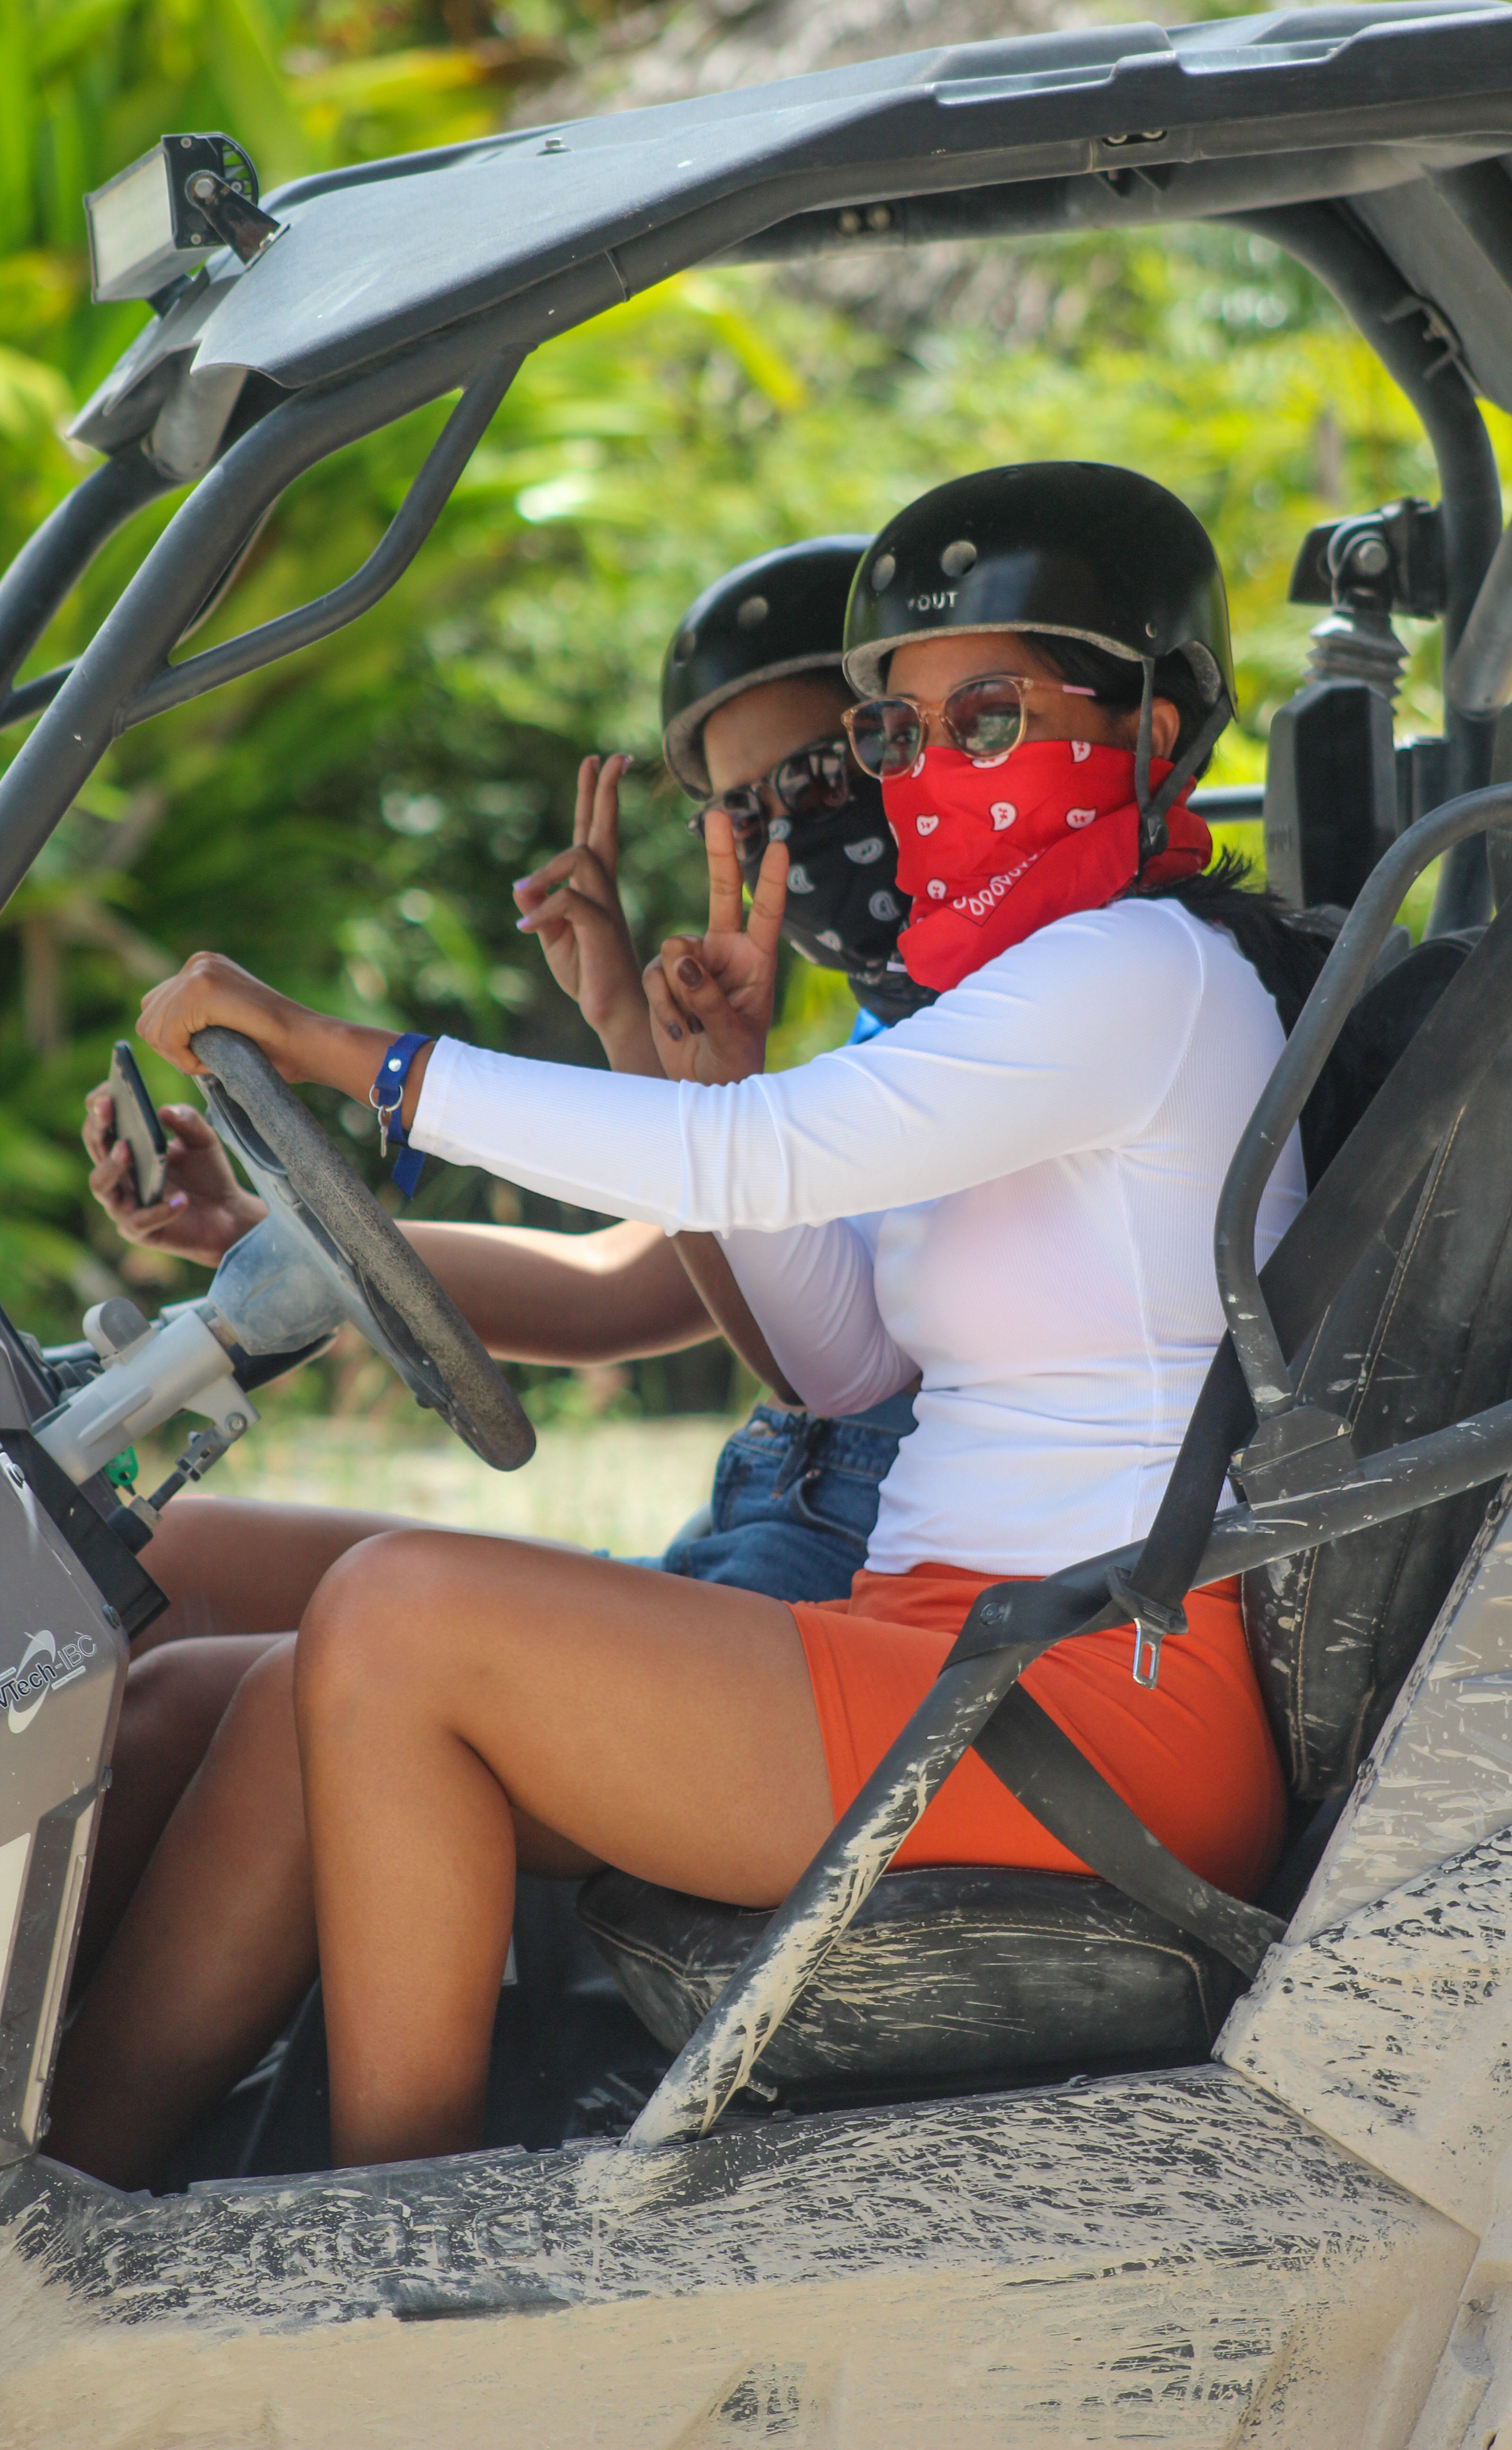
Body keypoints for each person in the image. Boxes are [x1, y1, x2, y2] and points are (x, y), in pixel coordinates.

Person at [50, 463, 1311, 2189]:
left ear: (1156, 722)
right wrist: (717, 1081)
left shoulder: (1143, 976)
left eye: (995, 713)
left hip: (1087, 1705)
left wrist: (345, 1051)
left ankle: (397, 2254)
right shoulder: (1009, 1001)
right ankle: (71, 2221)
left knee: (404, 1613)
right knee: (279, 1703)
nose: (933, 768)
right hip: (949, 1656)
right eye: (905, 728)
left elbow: (760, 1161)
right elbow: (853, 1363)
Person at [70, 536, 921, 1985]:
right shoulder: (875, 1039)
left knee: (262, 1696)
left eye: (826, 783)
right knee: (166, 1580)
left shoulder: (998, 1055)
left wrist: (665, 1085)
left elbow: (822, 1362)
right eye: (743, 808)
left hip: (828, 1614)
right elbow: (621, 1286)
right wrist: (262, 1236)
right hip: (738, 1555)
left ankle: (109, 2166)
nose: (789, 834)